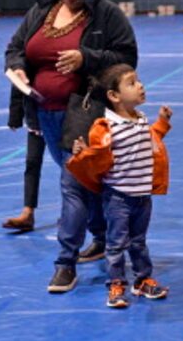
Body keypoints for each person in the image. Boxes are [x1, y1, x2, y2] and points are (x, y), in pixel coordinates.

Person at [4, 0, 138, 292]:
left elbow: (126, 57)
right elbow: (16, 47)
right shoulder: (41, 10)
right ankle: (105, 238)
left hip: (84, 115)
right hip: (43, 112)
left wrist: (86, 58)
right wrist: (18, 65)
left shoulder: (105, 14)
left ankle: (65, 263)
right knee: (85, 184)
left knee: (73, 186)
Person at [67, 64, 171, 309]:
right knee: (115, 244)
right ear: (114, 96)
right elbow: (96, 156)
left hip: (143, 197)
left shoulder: (140, 120)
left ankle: (142, 280)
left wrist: (163, 123)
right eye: (132, 83)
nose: (141, 86)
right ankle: (116, 284)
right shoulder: (105, 127)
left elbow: (150, 139)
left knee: (139, 242)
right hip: (118, 198)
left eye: (139, 81)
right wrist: (81, 154)